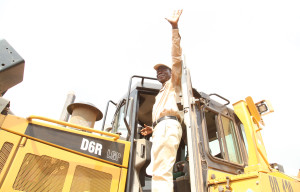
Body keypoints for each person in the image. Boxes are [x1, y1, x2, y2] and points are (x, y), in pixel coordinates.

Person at [140, 9, 183, 192]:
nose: (159, 73)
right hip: (160, 129)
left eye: (162, 70)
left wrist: (174, 28)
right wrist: (153, 127)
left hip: (167, 128)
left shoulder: (174, 83)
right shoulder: (161, 94)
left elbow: (176, 58)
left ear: (171, 72)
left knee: (162, 171)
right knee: (157, 171)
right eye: (157, 71)